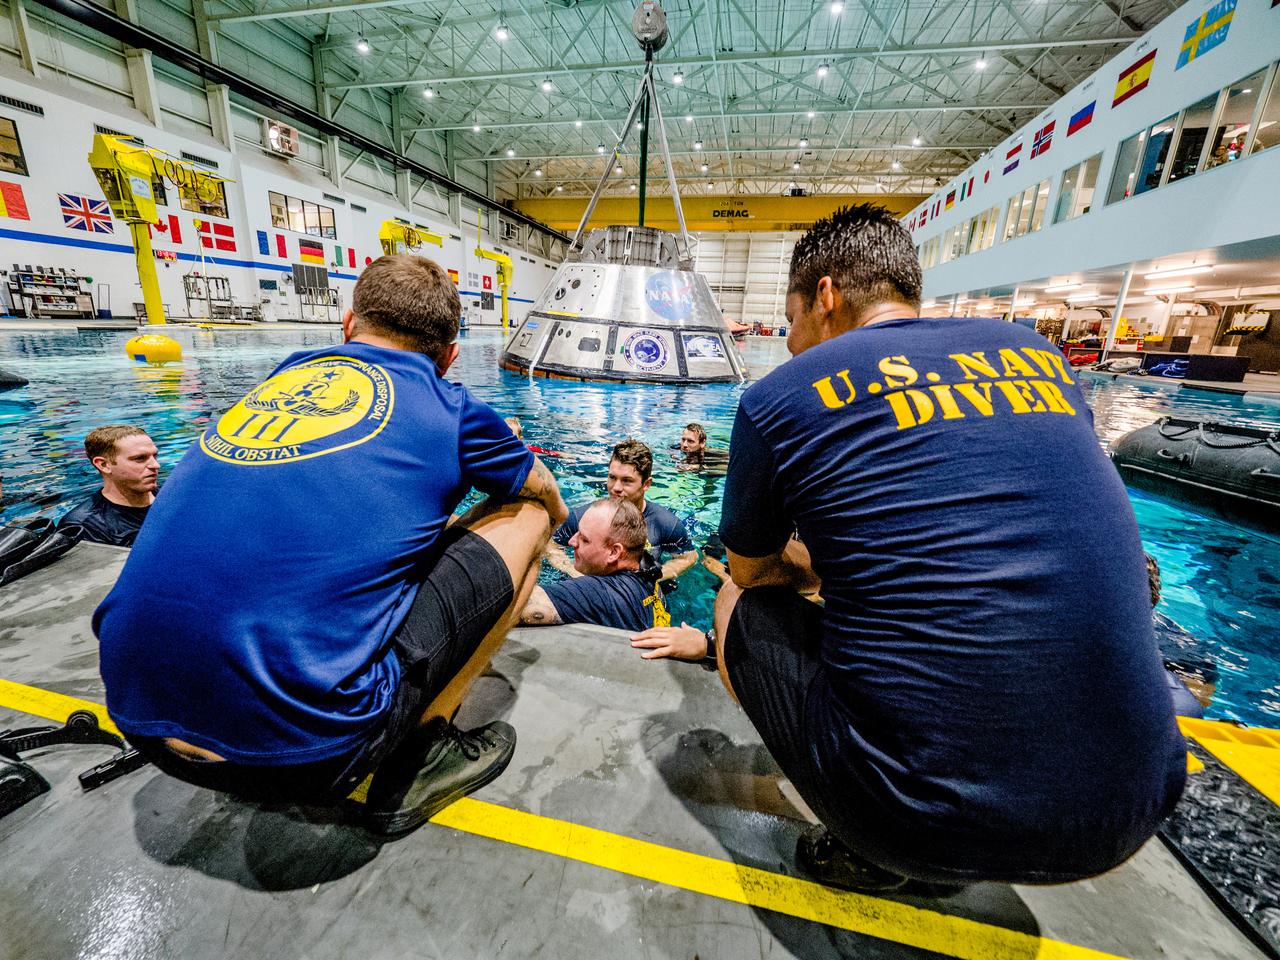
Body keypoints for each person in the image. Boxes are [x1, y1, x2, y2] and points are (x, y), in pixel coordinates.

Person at [704, 203, 1186, 892]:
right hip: (1134, 808)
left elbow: (754, 569)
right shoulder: (1039, 355)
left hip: (916, 829)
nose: (789, 344)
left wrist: (815, 573)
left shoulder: (779, 397)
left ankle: (864, 836)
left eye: (791, 325)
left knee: (735, 601)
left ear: (827, 296)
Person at [94, 254, 568, 837]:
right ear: (449, 357)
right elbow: (544, 491)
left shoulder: (279, 381)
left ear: (347, 327)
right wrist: (555, 523)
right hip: (307, 757)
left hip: (137, 718)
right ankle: (426, 754)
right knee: (528, 517)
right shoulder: (453, 408)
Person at [548, 439, 697, 582]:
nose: (616, 488)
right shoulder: (583, 517)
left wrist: (655, 576)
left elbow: (688, 557)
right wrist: (575, 574)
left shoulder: (665, 523)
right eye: (612, 477)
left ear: (646, 484)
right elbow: (551, 546)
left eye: (627, 481)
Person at [519, 498, 668, 632]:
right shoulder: (647, 570)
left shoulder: (601, 593)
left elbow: (511, 606)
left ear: (614, 552)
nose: (572, 542)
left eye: (584, 539)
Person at [58, 425, 159, 547]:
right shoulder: (84, 526)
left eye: (155, 456)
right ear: (104, 465)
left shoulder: (175, 496)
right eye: (140, 458)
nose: (155, 465)